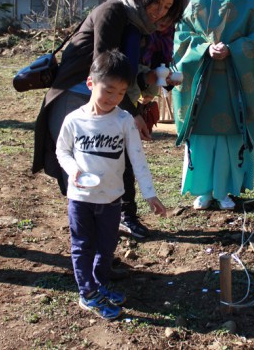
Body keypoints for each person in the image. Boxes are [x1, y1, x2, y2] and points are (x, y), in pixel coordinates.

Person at [32, 0, 183, 239]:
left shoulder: (138, 25)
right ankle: (89, 257)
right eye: (157, 1)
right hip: (79, 96)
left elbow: (126, 72)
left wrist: (151, 80)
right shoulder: (113, 12)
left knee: (116, 158)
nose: (159, 10)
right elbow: (104, 70)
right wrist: (131, 113)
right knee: (85, 177)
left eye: (167, 7)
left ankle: (114, 231)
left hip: (109, 98)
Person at [55, 49, 167, 320]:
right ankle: (87, 294)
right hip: (81, 198)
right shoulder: (74, 120)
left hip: (111, 199)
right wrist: (74, 170)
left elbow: (137, 159)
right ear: (91, 83)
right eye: (108, 91)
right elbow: (62, 151)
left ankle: (98, 284)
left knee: (106, 247)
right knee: (82, 245)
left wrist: (150, 194)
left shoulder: (124, 120)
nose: (113, 99)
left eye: (120, 93)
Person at [172, 0, 254, 211]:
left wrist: (236, 49)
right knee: (202, 136)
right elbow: (182, 35)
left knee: (231, 137)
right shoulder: (197, 1)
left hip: (235, 84)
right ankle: (203, 190)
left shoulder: (251, 6)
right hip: (202, 83)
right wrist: (204, 48)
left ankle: (225, 189)